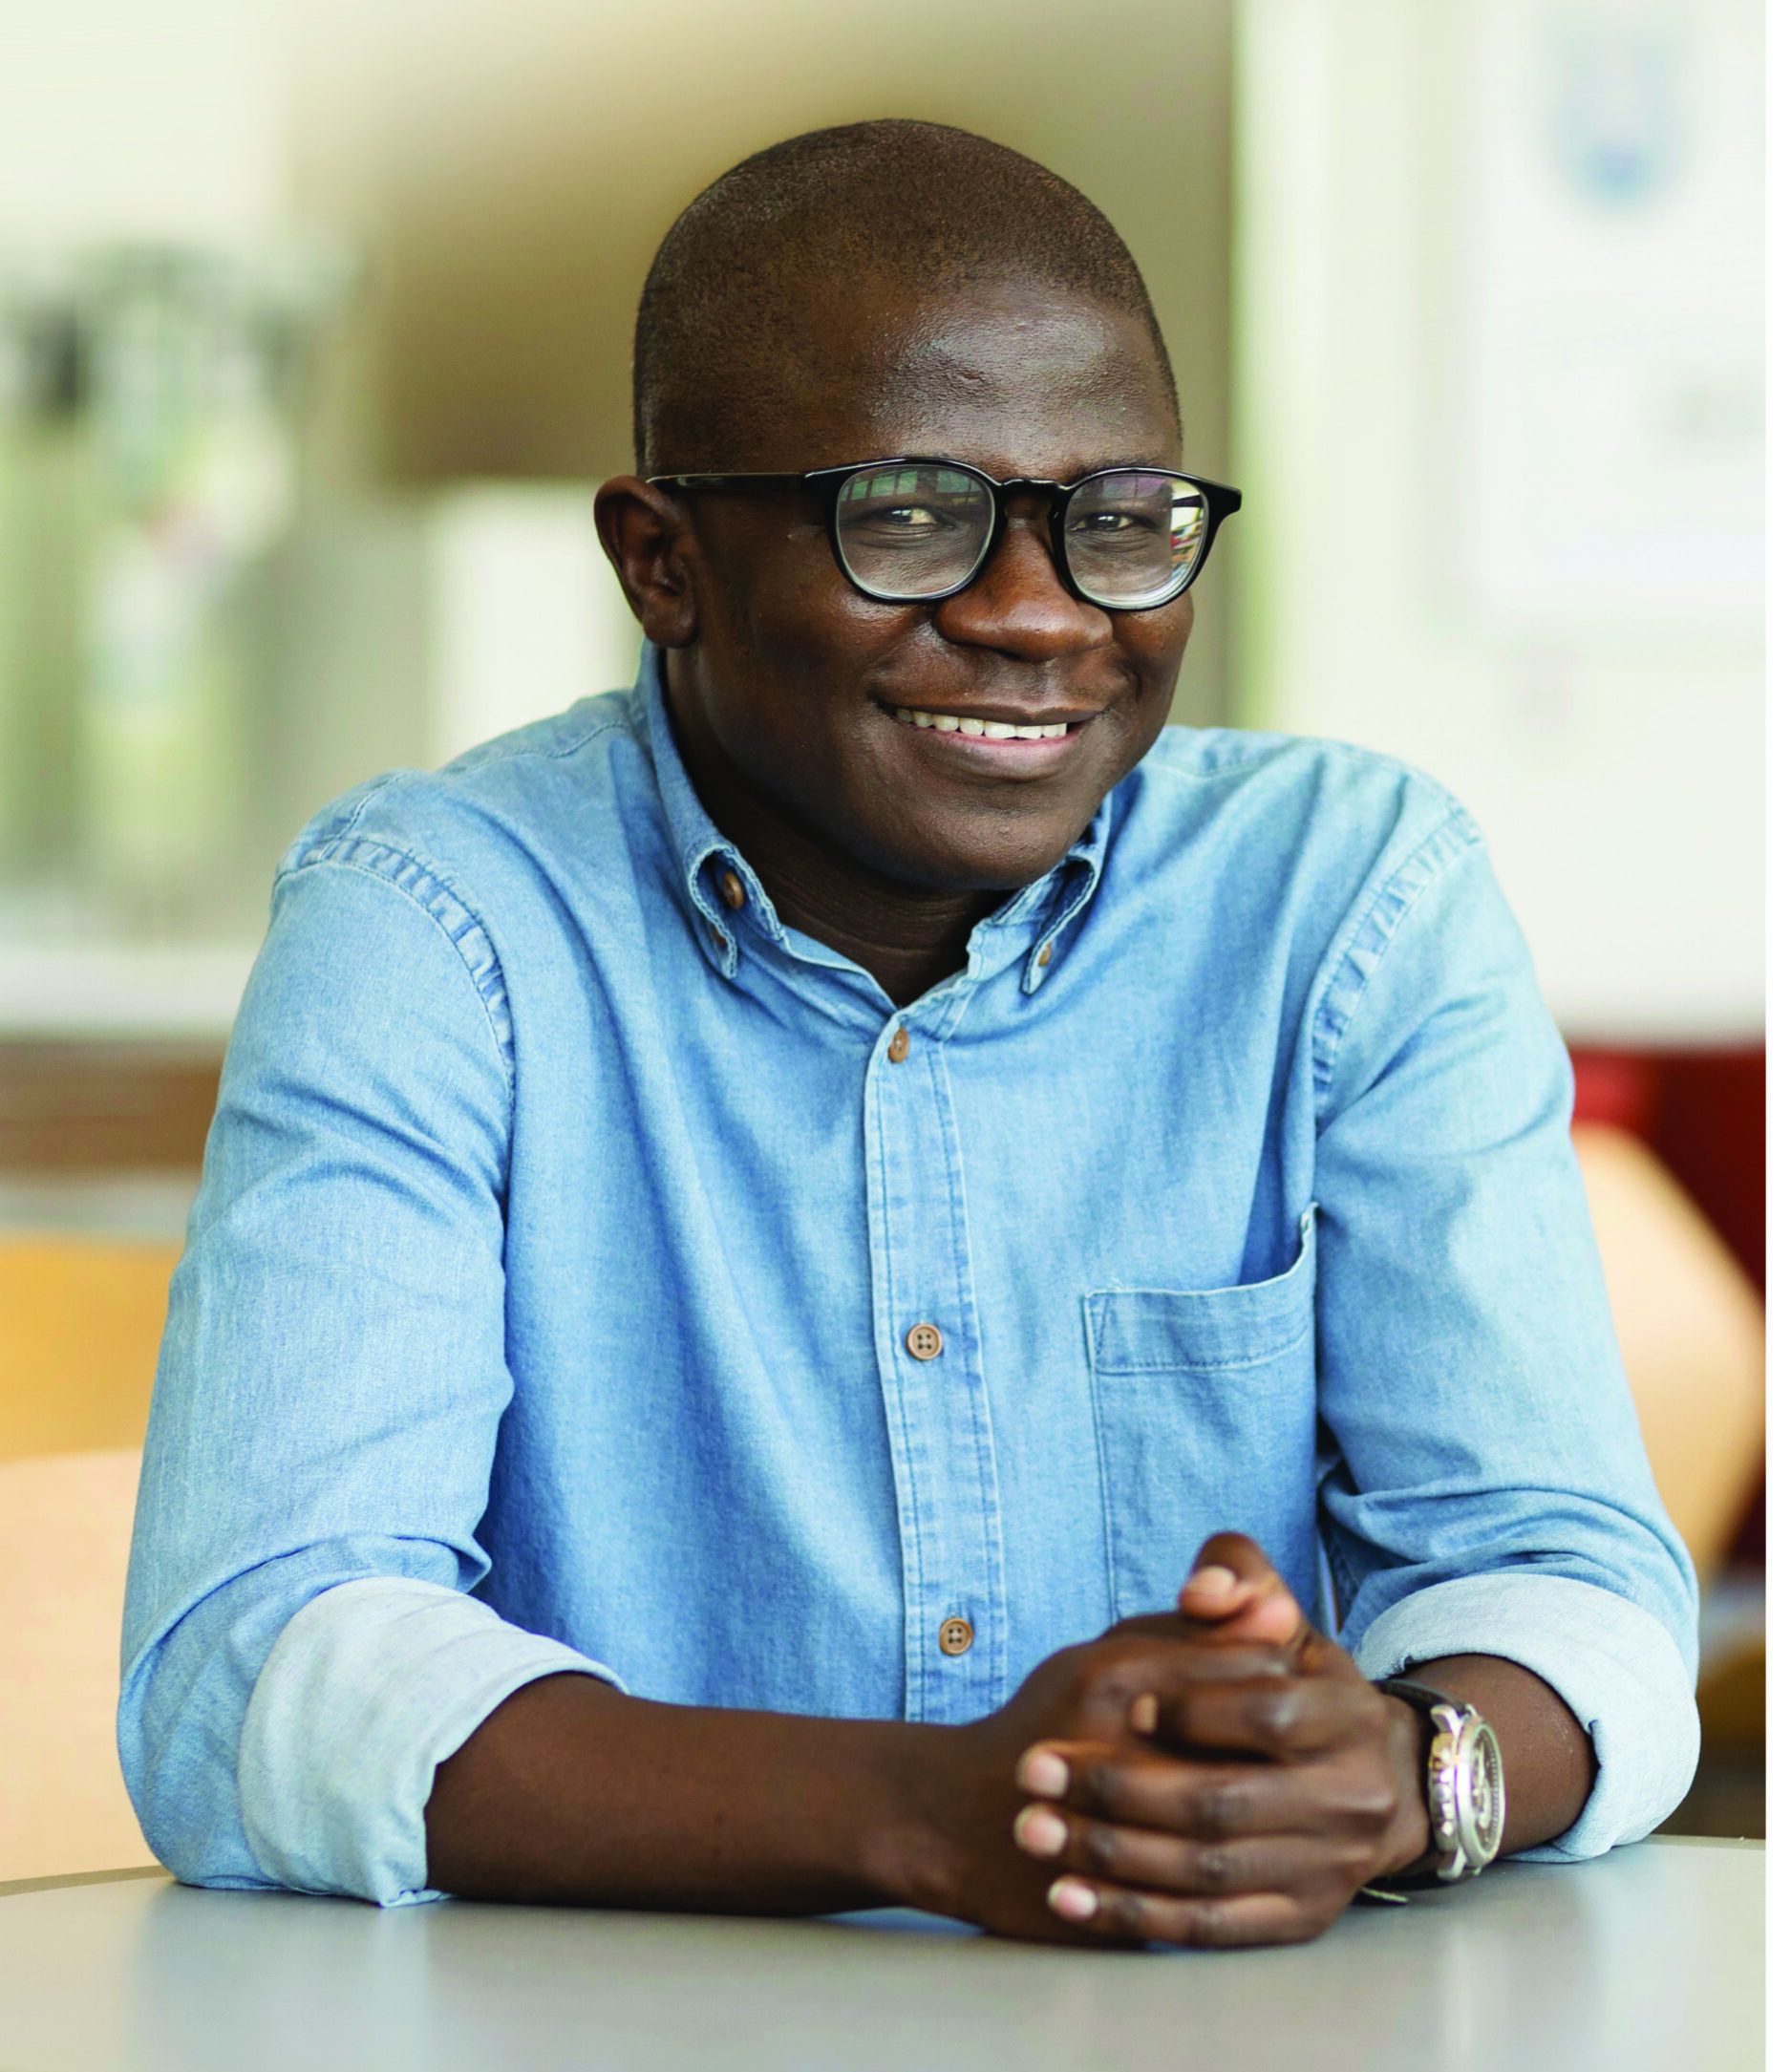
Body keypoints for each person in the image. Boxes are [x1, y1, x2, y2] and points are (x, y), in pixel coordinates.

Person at [118, 119, 1697, 1950]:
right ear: (664, 562)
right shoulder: (437, 925)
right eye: (910, 513)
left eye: (1117, 520)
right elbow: (258, 1664)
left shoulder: (1347, 899)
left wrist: (1404, 1769)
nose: (1037, 616)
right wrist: (931, 1815)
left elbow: (1561, 1575)